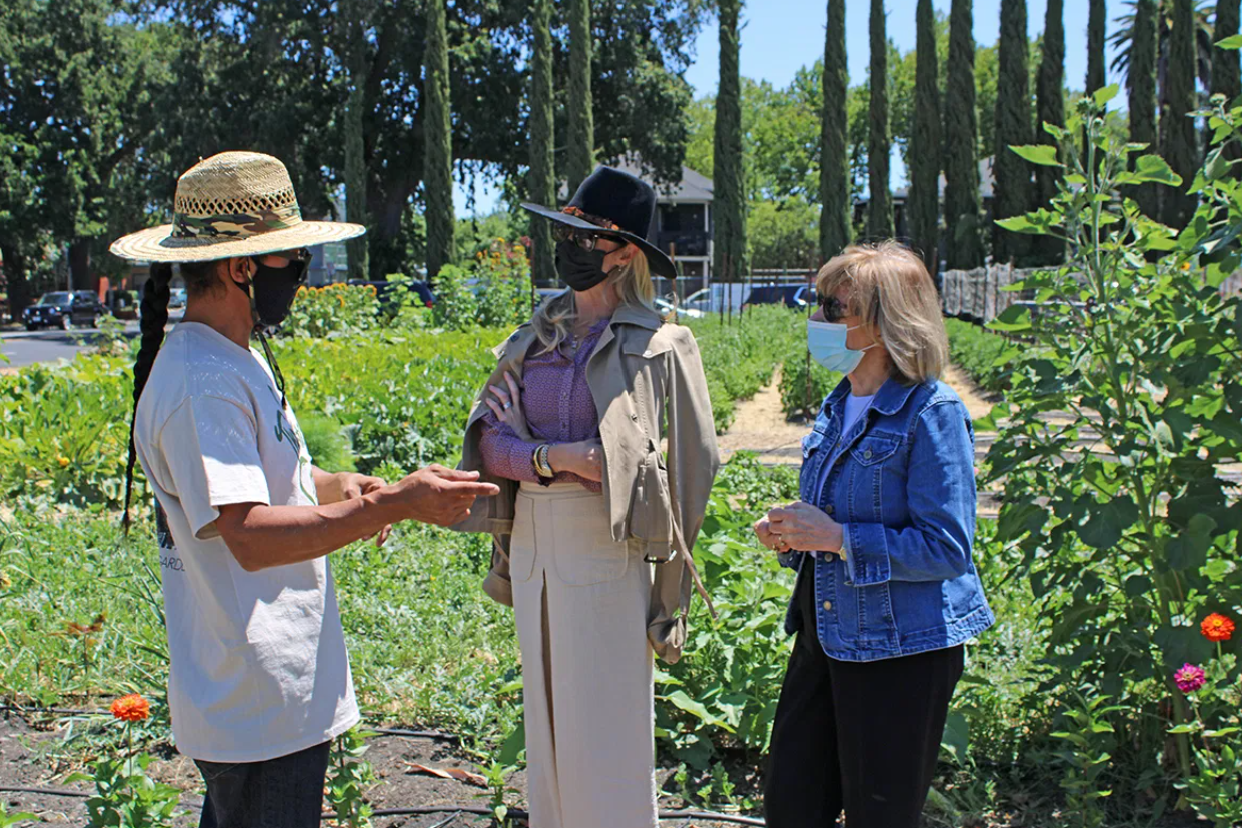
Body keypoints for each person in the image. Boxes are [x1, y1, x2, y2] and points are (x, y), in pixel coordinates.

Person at [110, 151, 499, 828]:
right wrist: (391, 505)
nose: (302, 275)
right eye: (292, 262)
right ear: (241, 267)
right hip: (256, 699)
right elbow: (249, 537)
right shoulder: (203, 384)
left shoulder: (233, 358)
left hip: (264, 694)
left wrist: (337, 487)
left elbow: (273, 483)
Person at [453, 166, 720, 828]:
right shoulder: (533, 338)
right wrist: (556, 458)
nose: (569, 246)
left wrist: (671, 595)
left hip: (609, 553)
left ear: (626, 251)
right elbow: (492, 446)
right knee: (546, 732)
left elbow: (693, 472)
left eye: (586, 236)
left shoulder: (660, 346)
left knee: (606, 732)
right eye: (564, 231)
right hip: (535, 549)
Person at [754, 241, 994, 828]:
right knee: (792, 803)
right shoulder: (840, 406)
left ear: (887, 322)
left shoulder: (931, 412)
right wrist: (794, 534)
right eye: (817, 302)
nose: (818, 319)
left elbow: (946, 548)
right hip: (826, 633)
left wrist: (835, 537)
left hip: (899, 648)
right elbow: (832, 521)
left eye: (835, 308)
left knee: (880, 813)